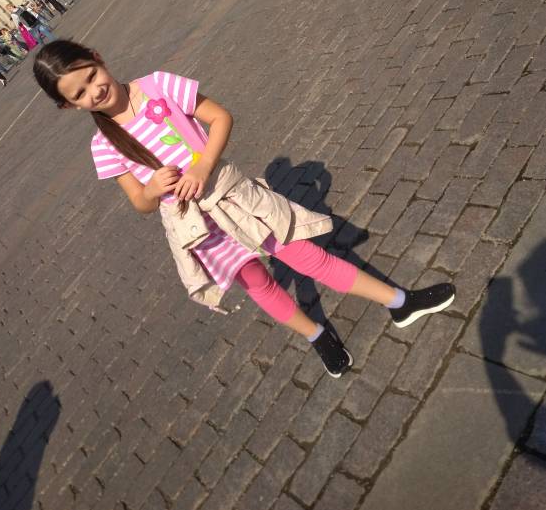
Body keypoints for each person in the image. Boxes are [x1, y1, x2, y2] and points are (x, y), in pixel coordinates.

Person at [33, 40, 456, 378]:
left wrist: (203, 165)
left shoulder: (158, 85)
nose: (95, 90)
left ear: (98, 58)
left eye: (91, 76)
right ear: (69, 106)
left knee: (306, 256)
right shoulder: (103, 146)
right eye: (79, 93)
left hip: (231, 196)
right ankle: (316, 335)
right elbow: (140, 204)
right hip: (196, 227)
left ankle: (399, 301)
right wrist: (152, 189)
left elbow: (220, 118)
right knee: (258, 283)